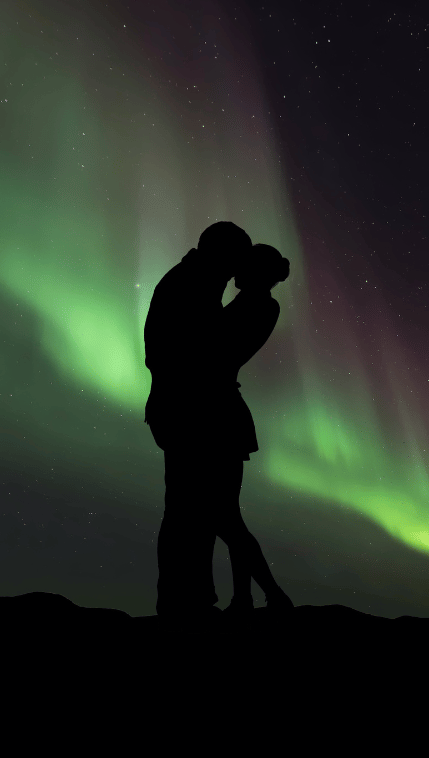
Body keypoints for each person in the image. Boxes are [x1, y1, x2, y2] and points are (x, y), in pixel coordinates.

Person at [143, 222, 292, 622]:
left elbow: (203, 350)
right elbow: (180, 351)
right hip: (201, 412)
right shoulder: (198, 286)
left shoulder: (239, 299)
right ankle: (218, 598)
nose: (234, 271)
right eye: (233, 261)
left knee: (209, 513)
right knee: (206, 512)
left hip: (210, 414)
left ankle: (215, 598)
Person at [216, 242, 295, 617]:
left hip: (219, 412)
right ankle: (248, 598)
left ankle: (270, 595)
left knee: (224, 516)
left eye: (243, 266)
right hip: (224, 411)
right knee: (228, 514)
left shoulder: (258, 305)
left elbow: (216, 345)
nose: (234, 273)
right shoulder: (260, 305)